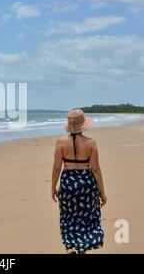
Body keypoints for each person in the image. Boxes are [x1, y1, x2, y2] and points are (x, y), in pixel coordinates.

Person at [51, 109, 106, 254]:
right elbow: (96, 169)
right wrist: (102, 192)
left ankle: (70, 247)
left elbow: (57, 167)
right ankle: (82, 248)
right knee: (87, 218)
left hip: (68, 182)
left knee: (68, 218)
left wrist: (53, 187)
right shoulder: (91, 143)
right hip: (86, 183)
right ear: (83, 125)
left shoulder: (61, 142)